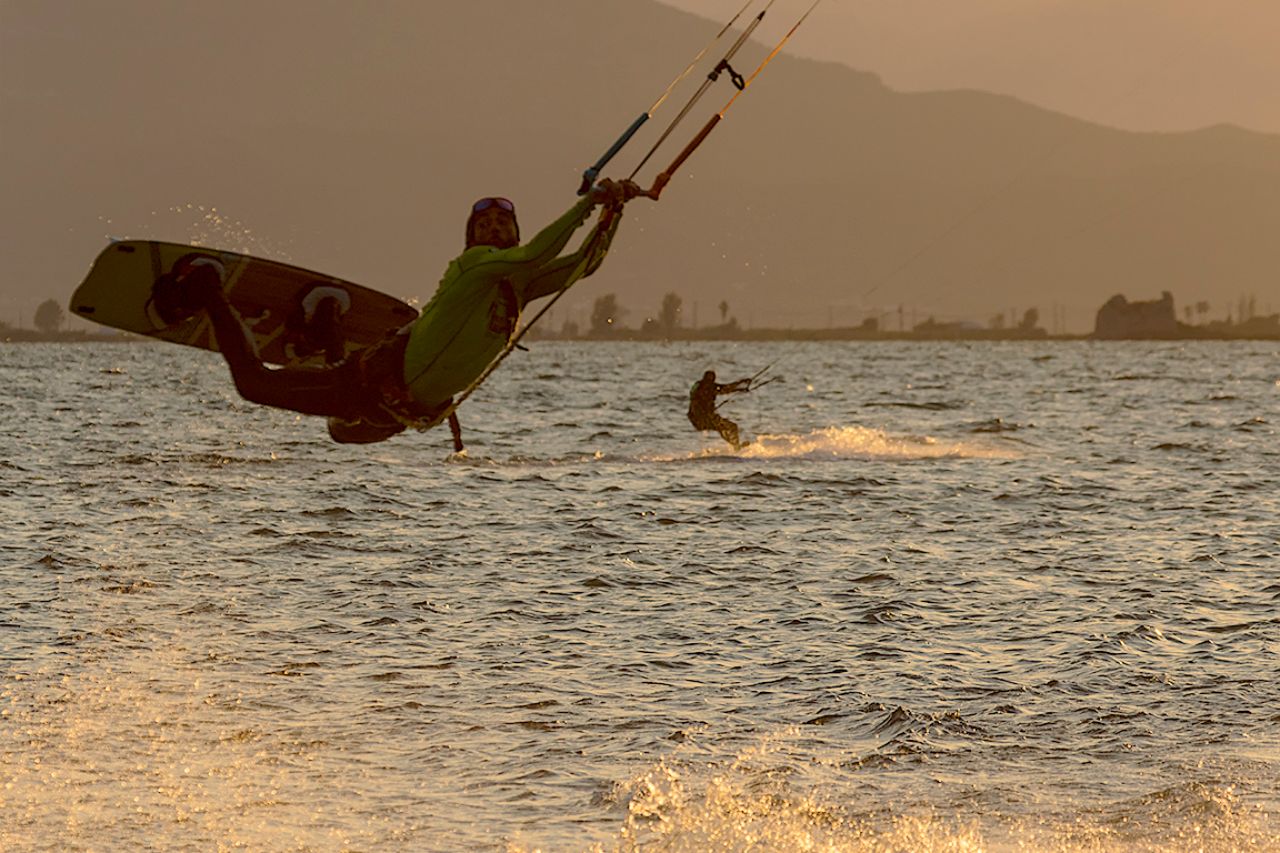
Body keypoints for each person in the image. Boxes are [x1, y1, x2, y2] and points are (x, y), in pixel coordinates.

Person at [162, 178, 640, 447]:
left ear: (514, 232)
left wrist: (612, 213)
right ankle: (206, 285)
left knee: (341, 435)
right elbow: (535, 254)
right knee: (253, 385)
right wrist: (585, 207)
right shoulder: (474, 266)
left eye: (503, 222)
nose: (494, 227)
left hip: (396, 410)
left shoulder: (520, 287)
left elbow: (583, 265)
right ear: (473, 239)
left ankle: (325, 316)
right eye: (484, 224)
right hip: (368, 386)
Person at [687, 369, 751, 450]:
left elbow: (725, 388)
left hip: (698, 419)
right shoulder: (704, 387)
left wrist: (740, 385)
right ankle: (736, 446)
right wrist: (740, 386)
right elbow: (724, 389)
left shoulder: (701, 385)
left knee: (724, 427)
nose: (710, 382)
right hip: (702, 419)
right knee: (730, 427)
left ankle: (735, 445)